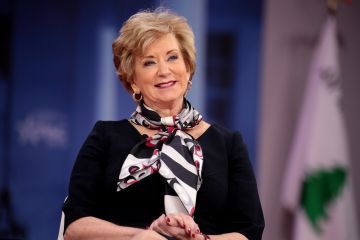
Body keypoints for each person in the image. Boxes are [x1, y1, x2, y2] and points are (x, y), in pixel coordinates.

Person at [62, 8, 264, 240]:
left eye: (172, 57)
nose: (164, 71)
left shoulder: (229, 144)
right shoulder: (105, 136)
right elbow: (75, 227)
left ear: (188, 67)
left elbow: (249, 231)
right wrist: (144, 236)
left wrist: (197, 239)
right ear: (132, 80)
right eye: (149, 62)